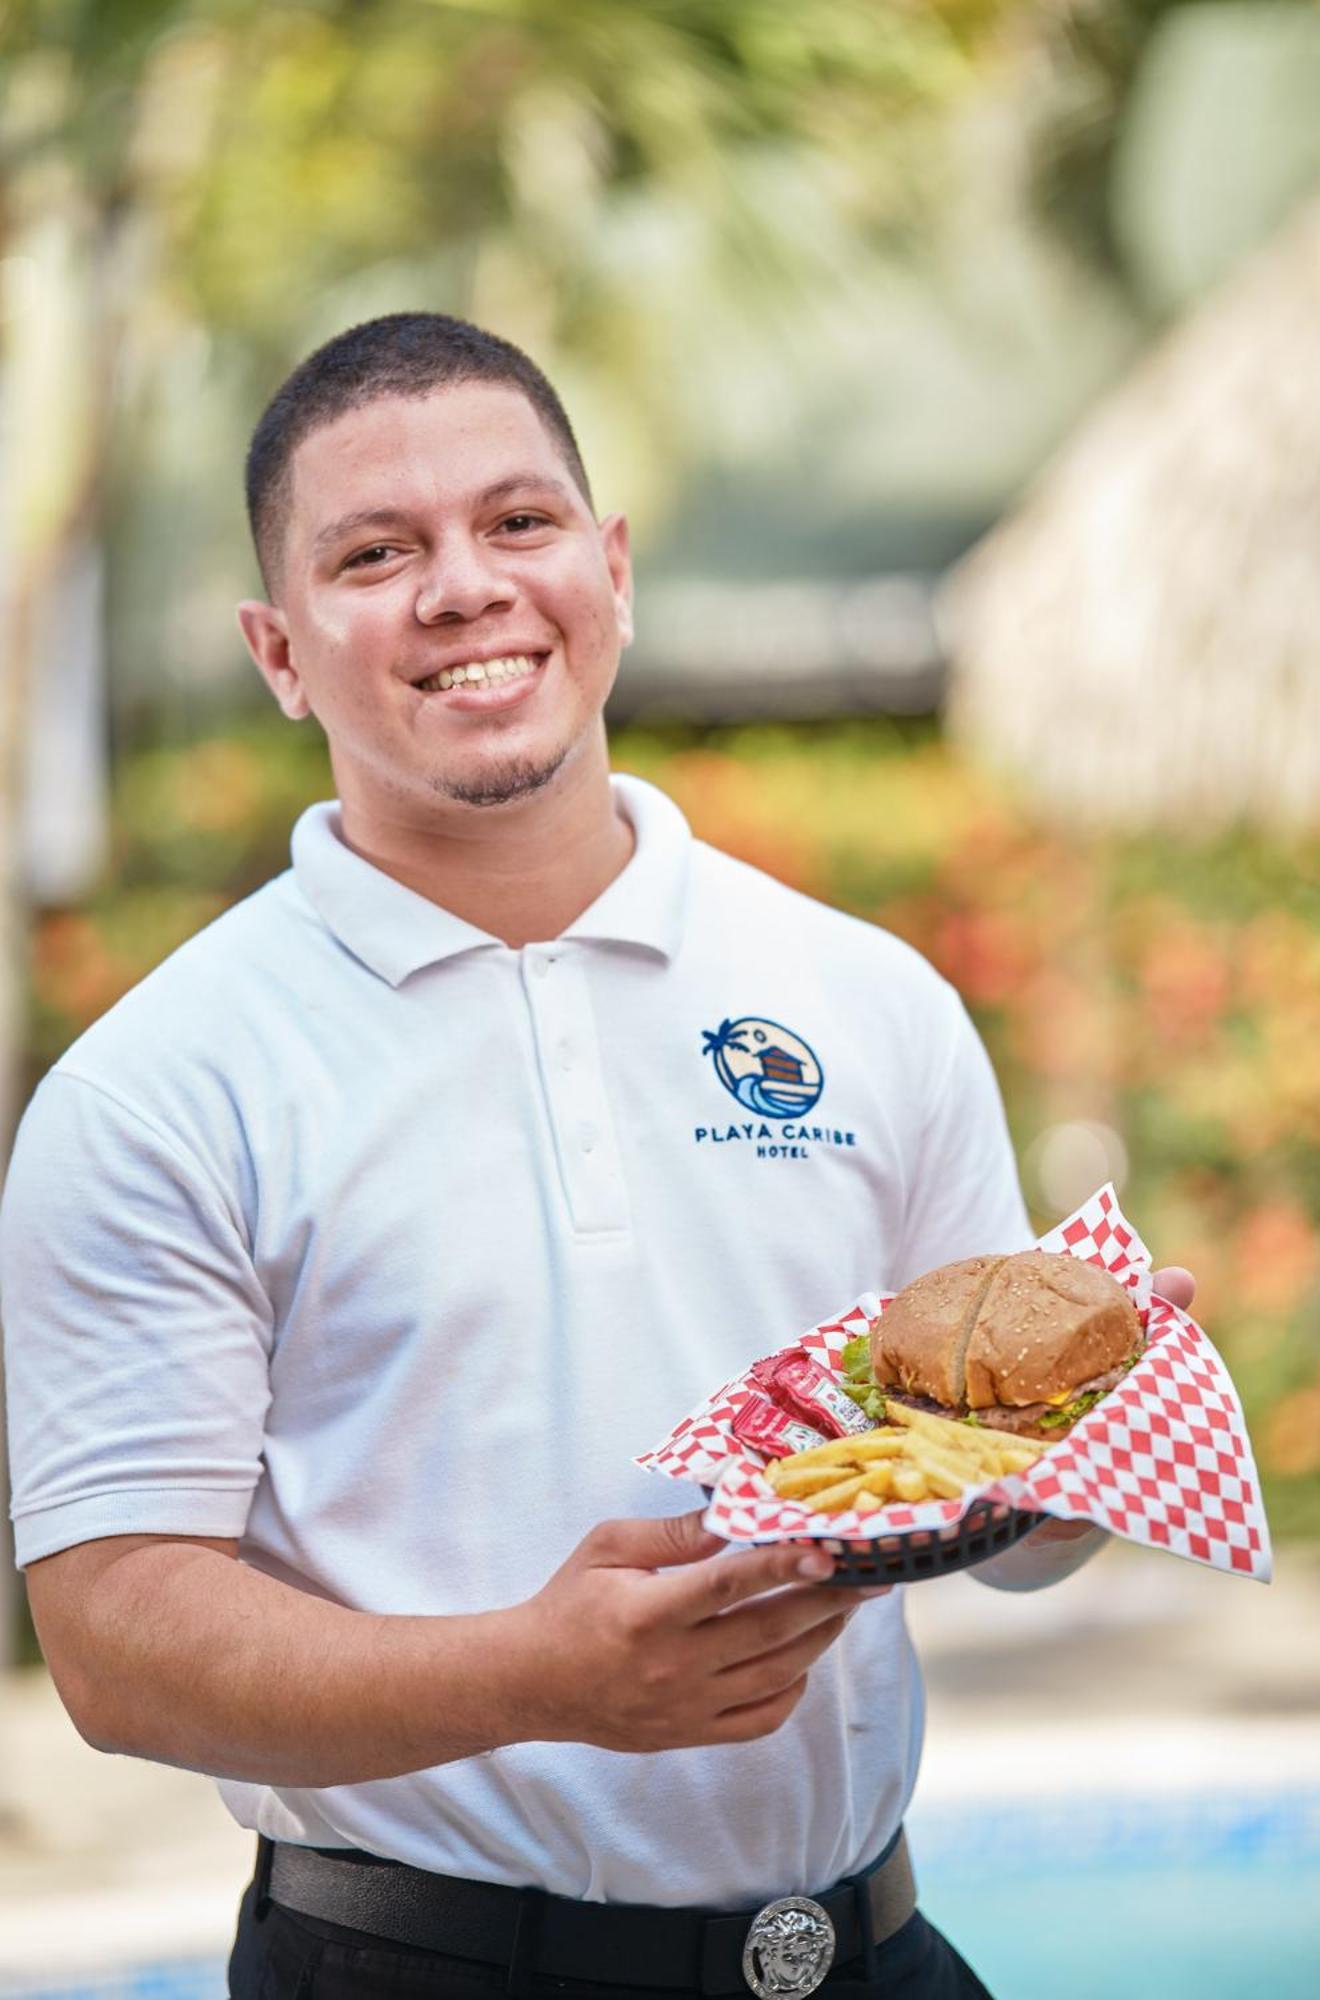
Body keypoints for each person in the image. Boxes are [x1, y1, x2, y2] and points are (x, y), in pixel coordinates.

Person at [2, 314, 1194, 2000]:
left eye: (517, 523)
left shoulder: (864, 997)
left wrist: (1098, 1435)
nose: (463, 587)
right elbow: (117, 1640)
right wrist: (531, 1677)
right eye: (372, 552)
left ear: (611, 571)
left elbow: (991, 1511)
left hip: (866, 1957)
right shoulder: (164, 1086)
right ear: (279, 652)